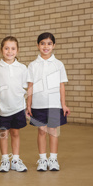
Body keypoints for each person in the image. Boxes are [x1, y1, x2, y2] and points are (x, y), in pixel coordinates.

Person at [26, 32, 70, 171]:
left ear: (54, 45)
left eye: (49, 43)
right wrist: (29, 104)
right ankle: (43, 159)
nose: (46, 46)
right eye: (43, 43)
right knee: (41, 132)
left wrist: (63, 104)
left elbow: (61, 85)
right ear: (38, 45)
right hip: (38, 104)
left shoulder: (58, 64)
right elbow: (30, 86)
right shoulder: (33, 65)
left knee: (53, 132)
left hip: (54, 104)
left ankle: (53, 159)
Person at [0, 36, 28, 172]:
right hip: (2, 109)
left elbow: (24, 86)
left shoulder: (23, 68)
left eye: (13, 48)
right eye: (6, 48)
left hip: (18, 107)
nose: (9, 51)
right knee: (3, 134)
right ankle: (5, 160)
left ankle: (16, 160)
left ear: (17, 51)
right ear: (1, 50)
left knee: (15, 133)